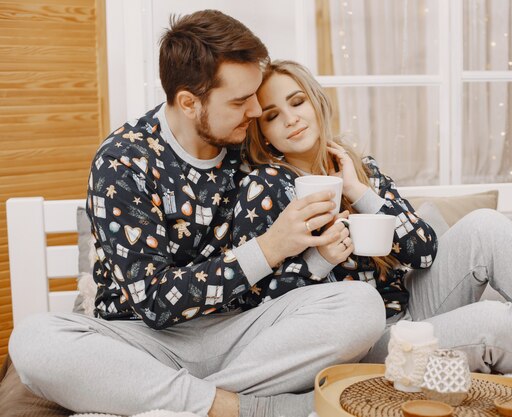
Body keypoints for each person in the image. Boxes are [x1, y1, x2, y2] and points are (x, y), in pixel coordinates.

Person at [8, 11, 386, 417]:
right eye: (240, 101)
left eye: (255, 94)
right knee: (33, 340)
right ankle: (250, 407)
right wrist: (270, 247)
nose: (257, 110)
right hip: (143, 343)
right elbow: (153, 302)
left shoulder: (255, 145)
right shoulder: (123, 161)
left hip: (245, 333)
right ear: (189, 102)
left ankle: (175, 401)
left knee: (360, 305)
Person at [234, 59, 512, 375]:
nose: (290, 118)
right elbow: (260, 306)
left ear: (316, 102)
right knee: (495, 321)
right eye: (272, 115)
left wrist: (359, 192)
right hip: (361, 339)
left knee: (485, 224)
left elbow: (423, 253)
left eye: (297, 101)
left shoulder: (359, 167)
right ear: (263, 131)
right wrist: (321, 262)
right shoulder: (263, 188)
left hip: (412, 304)